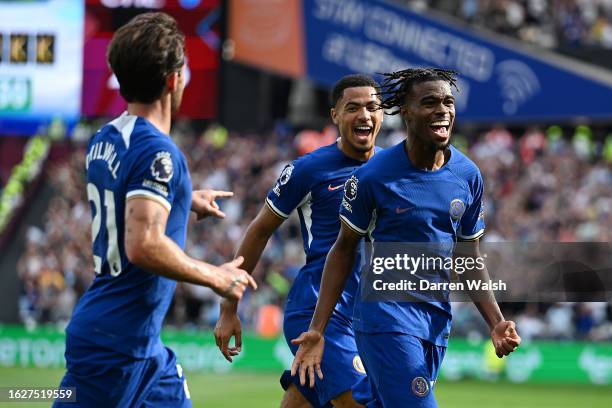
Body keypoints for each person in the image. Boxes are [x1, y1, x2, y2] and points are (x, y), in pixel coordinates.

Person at [54, 12, 256, 407]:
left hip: (142, 348)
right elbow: (143, 244)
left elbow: (121, 197)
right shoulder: (159, 152)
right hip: (116, 345)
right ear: (174, 79)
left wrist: (183, 198)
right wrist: (216, 276)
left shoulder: (105, 138)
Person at [290, 68, 522, 407]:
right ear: (405, 111)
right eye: (429, 102)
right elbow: (342, 252)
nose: (442, 110)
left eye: (448, 102)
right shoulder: (372, 177)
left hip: (435, 321)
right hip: (385, 319)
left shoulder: (467, 175)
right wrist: (318, 329)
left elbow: (468, 256)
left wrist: (496, 322)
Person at [214, 74, 384, 408]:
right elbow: (260, 230)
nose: (364, 115)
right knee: (363, 404)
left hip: (366, 315)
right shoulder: (309, 169)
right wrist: (229, 306)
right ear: (335, 114)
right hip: (318, 311)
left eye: (372, 107)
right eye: (353, 108)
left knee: (300, 402)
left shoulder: (393, 167)